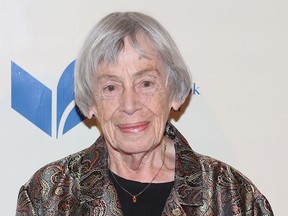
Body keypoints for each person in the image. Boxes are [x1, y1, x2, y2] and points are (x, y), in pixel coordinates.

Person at [16, 12, 273, 216]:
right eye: (111, 87)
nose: (129, 104)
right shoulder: (50, 194)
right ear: (91, 102)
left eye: (146, 83)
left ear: (174, 92)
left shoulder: (231, 196)